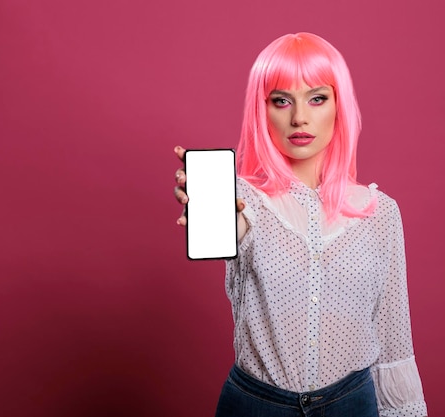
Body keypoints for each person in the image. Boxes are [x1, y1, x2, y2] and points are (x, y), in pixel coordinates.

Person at [174, 32, 427, 417]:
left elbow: (393, 340)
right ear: (262, 110)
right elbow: (235, 248)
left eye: (317, 98)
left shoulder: (381, 213)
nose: (299, 118)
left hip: (352, 405)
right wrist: (213, 214)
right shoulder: (242, 201)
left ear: (339, 105)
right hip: (256, 406)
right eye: (281, 101)